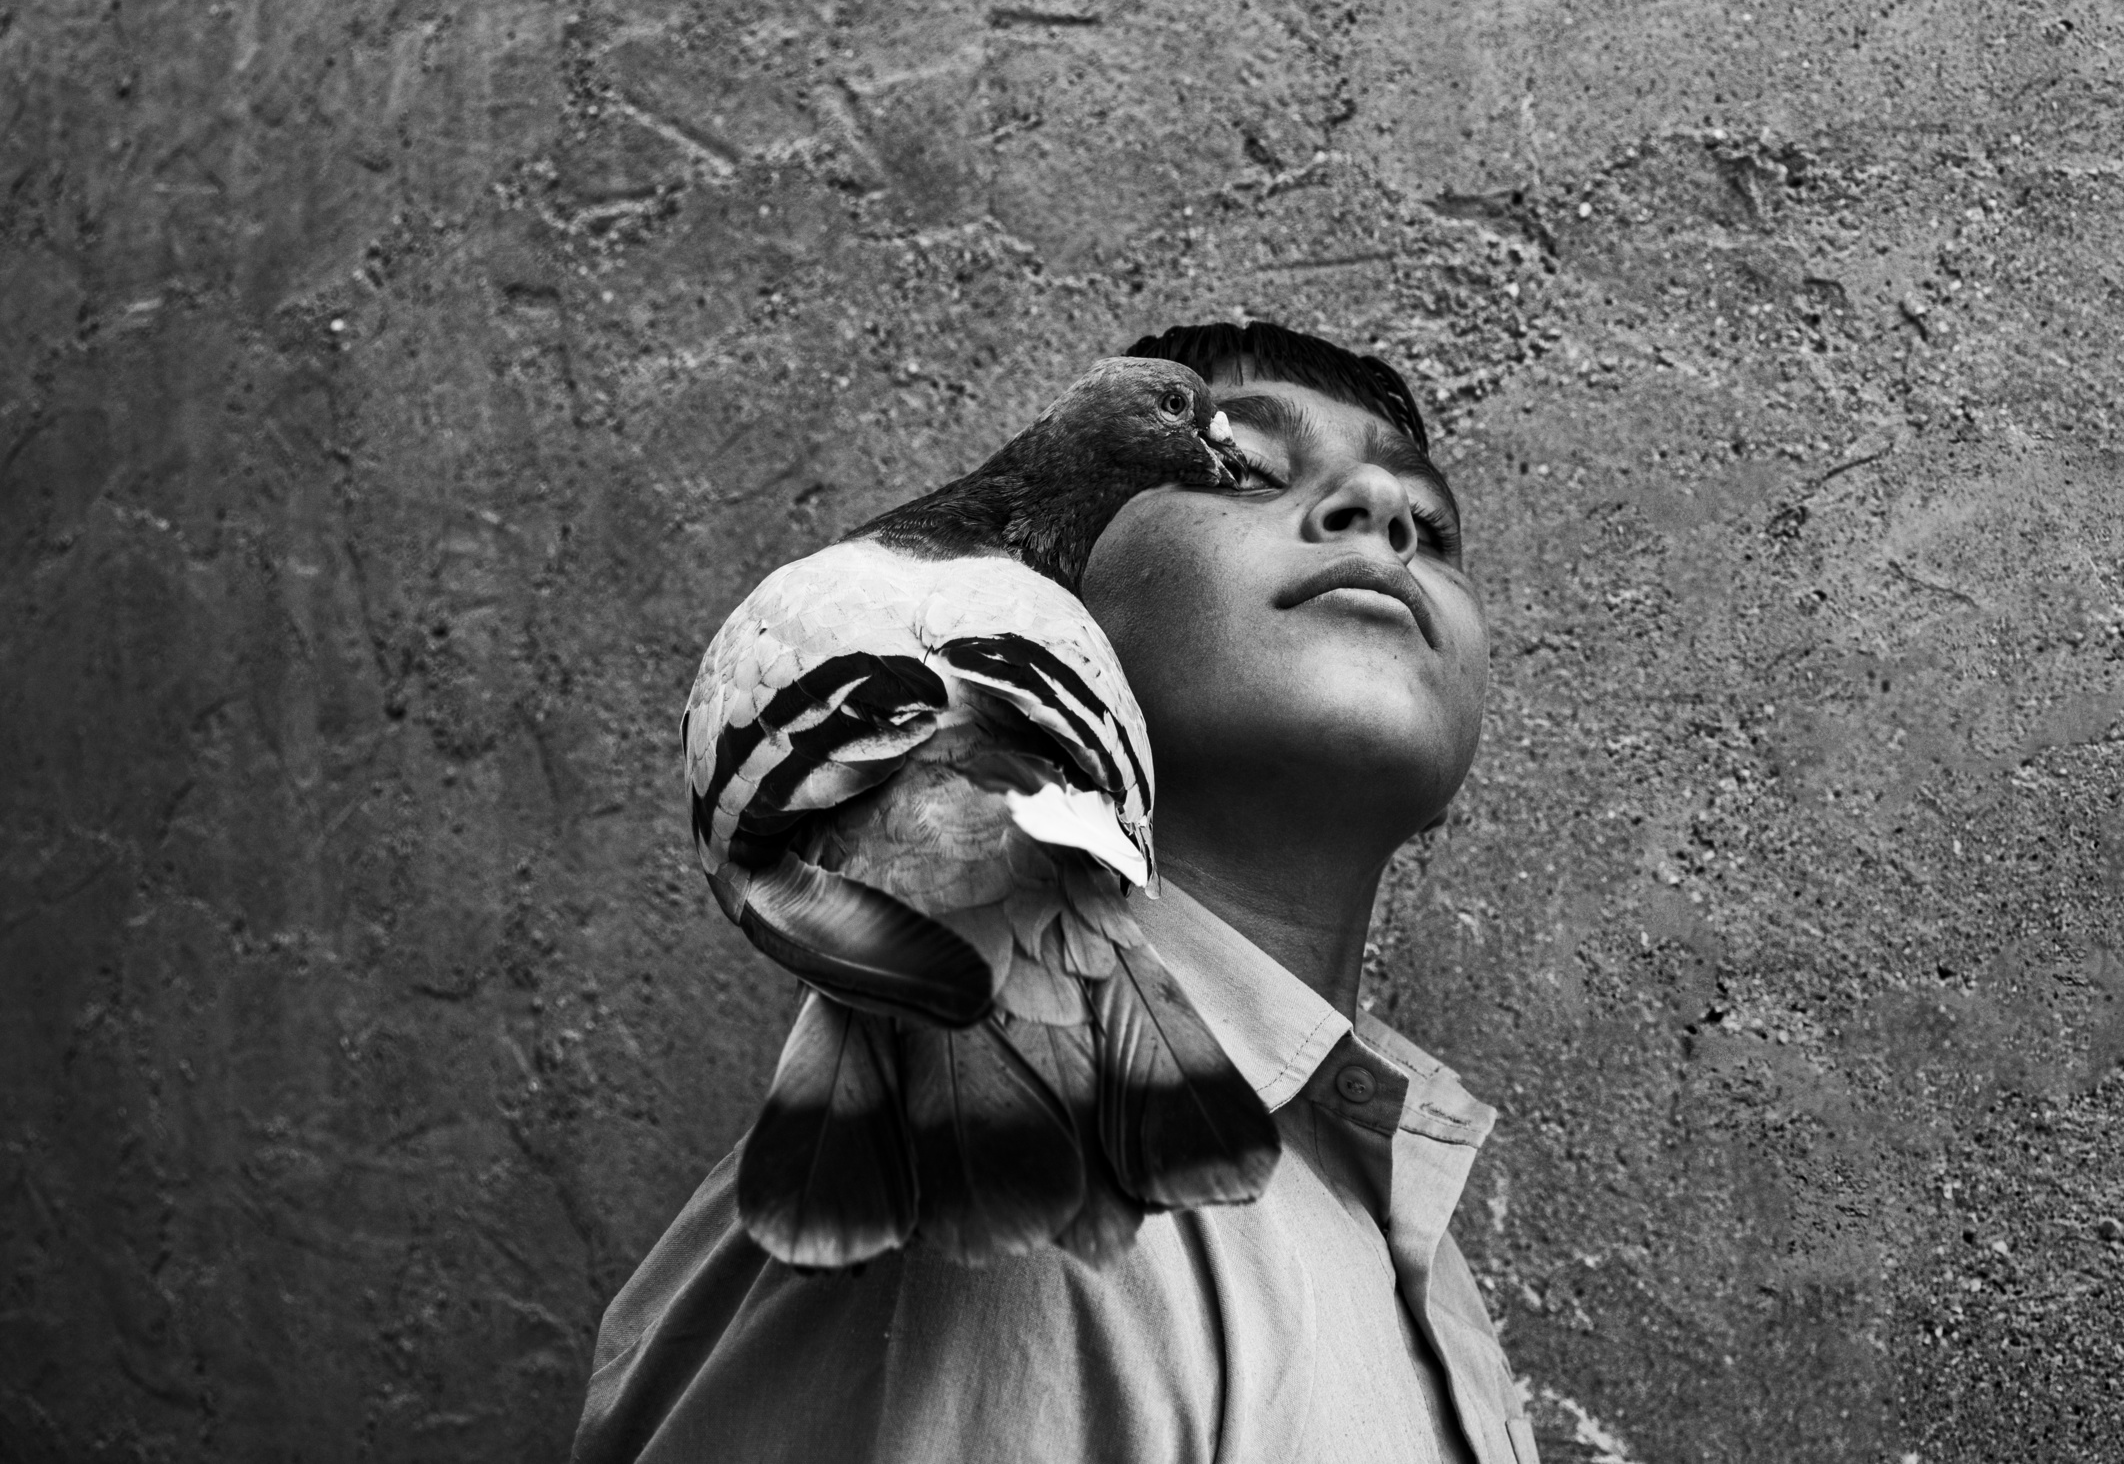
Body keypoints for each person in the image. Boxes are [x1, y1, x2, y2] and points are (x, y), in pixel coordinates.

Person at [573, 322, 1539, 1464]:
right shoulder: (946, 1190)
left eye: (1428, 523)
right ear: (1083, 598)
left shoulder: (1406, 1242)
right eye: (1249, 472)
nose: (1377, 507)